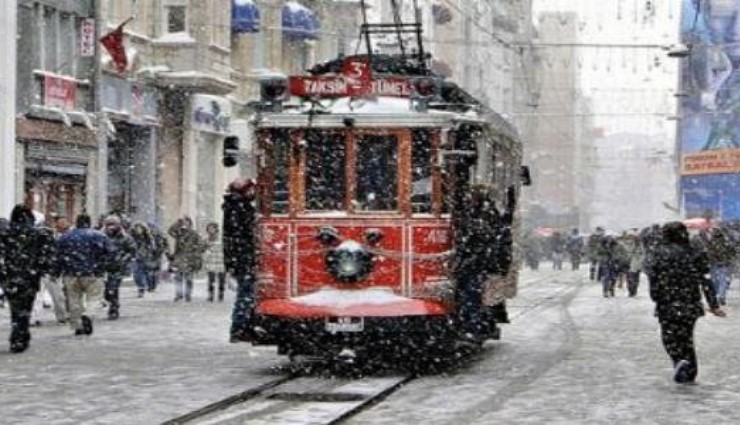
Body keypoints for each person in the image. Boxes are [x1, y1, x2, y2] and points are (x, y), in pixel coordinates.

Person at [645, 221, 727, 384]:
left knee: (669, 337)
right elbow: (706, 280)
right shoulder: (694, 253)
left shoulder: (658, 253)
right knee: (686, 337)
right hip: (690, 301)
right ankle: (689, 370)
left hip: (667, 302)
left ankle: (679, 360)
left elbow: (653, 278)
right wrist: (713, 305)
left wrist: (656, 296)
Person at [0, 205, 55, 352]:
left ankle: (18, 333)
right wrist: (43, 269)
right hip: (30, 276)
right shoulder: (38, 234)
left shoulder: (6, 233)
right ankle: (21, 334)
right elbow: (46, 256)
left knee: (15, 307)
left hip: (10, 275)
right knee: (26, 307)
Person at [55, 213, 112, 335]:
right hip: (93, 273)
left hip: (71, 273)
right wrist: (105, 267)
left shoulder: (65, 237)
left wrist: (57, 271)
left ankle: (78, 325)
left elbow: (58, 256)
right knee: (95, 298)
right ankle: (88, 315)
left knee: (74, 300)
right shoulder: (99, 236)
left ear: (76, 222)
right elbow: (109, 254)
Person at [223, 178, 259, 342]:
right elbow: (242, 234)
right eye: (251, 191)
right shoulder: (239, 208)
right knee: (246, 294)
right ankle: (239, 328)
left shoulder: (234, 207)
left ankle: (242, 327)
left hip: (241, 257)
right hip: (244, 257)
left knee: (247, 293)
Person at [103, 215, 135, 319]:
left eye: (113, 224)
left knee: (113, 288)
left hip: (118, 267)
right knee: (105, 290)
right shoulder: (101, 236)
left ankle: (113, 308)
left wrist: (123, 259)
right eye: (109, 224)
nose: (111, 227)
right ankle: (112, 302)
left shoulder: (125, 237)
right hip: (103, 266)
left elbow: (132, 250)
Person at [168, 216, 205, 302]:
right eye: (183, 222)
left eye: (186, 222)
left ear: (190, 223)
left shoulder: (194, 234)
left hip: (190, 258)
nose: (184, 224)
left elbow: (200, 245)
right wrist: (177, 223)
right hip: (179, 257)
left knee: (188, 278)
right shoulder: (179, 232)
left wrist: (196, 253)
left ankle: (188, 295)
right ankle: (178, 294)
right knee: (178, 277)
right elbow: (170, 231)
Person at [130, 222, 159, 297]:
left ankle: (147, 287)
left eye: (140, 228)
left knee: (147, 274)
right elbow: (129, 246)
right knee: (136, 275)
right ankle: (141, 288)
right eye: (137, 228)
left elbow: (153, 247)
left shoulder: (148, 238)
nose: (138, 230)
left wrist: (150, 254)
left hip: (146, 258)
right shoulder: (132, 237)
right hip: (136, 258)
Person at [203, 222, 226, 302]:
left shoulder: (221, 238)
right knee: (211, 280)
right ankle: (211, 295)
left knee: (221, 280)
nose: (211, 230)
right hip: (211, 261)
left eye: (212, 228)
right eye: (209, 228)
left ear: (216, 229)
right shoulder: (206, 239)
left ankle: (221, 295)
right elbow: (203, 250)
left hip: (221, 261)